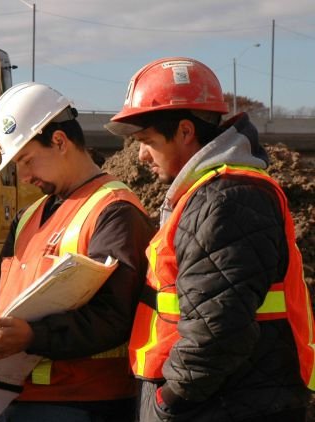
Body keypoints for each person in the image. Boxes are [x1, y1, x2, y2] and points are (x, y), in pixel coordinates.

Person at [106, 57, 315, 422]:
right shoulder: (208, 194)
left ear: (186, 131)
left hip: (223, 405)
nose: (140, 156)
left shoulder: (226, 199)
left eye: (147, 141)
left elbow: (219, 330)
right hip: (228, 400)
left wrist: (170, 401)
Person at [0, 82, 153, 421]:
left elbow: (114, 315)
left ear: (59, 141)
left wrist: (31, 336)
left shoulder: (114, 210)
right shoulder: (28, 217)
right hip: (17, 396)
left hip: (85, 401)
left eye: (27, 160)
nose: (23, 176)